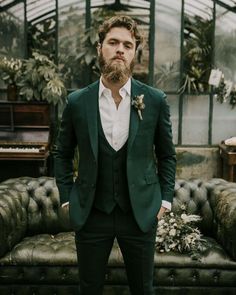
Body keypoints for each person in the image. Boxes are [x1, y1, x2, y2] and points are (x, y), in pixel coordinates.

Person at [54, 15, 176, 295]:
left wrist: (165, 201)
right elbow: (61, 154)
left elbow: (167, 156)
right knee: (89, 287)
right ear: (100, 48)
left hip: (141, 212)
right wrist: (66, 199)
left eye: (128, 45)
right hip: (91, 211)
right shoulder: (77, 101)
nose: (120, 49)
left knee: (143, 288)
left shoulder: (155, 100)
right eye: (113, 42)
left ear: (135, 53)